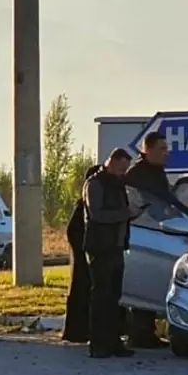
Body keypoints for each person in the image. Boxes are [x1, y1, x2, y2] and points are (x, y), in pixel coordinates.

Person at [123, 130, 179, 348]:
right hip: (142, 235)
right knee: (141, 286)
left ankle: (145, 332)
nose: (166, 153)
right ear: (147, 150)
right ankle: (139, 333)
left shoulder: (156, 173)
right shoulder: (137, 175)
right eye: (162, 149)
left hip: (157, 233)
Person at [83, 148, 140, 359]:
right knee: (101, 296)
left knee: (114, 297)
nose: (123, 173)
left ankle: (114, 341)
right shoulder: (95, 184)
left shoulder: (118, 185)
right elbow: (97, 214)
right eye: (121, 168)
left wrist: (132, 214)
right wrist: (125, 214)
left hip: (116, 246)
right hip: (100, 247)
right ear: (112, 162)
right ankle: (98, 344)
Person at [61, 163, 103, 344]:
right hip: (83, 254)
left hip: (89, 251)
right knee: (81, 290)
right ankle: (77, 331)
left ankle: (85, 330)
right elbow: (73, 231)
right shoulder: (84, 204)